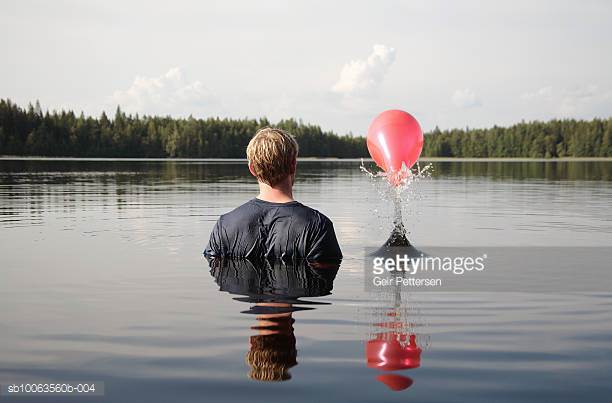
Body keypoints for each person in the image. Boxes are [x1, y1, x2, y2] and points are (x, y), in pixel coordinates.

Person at [203, 127, 342, 261]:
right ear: (293, 164)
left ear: (252, 169)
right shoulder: (318, 226)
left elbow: (217, 275)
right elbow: (323, 281)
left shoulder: (225, 224)